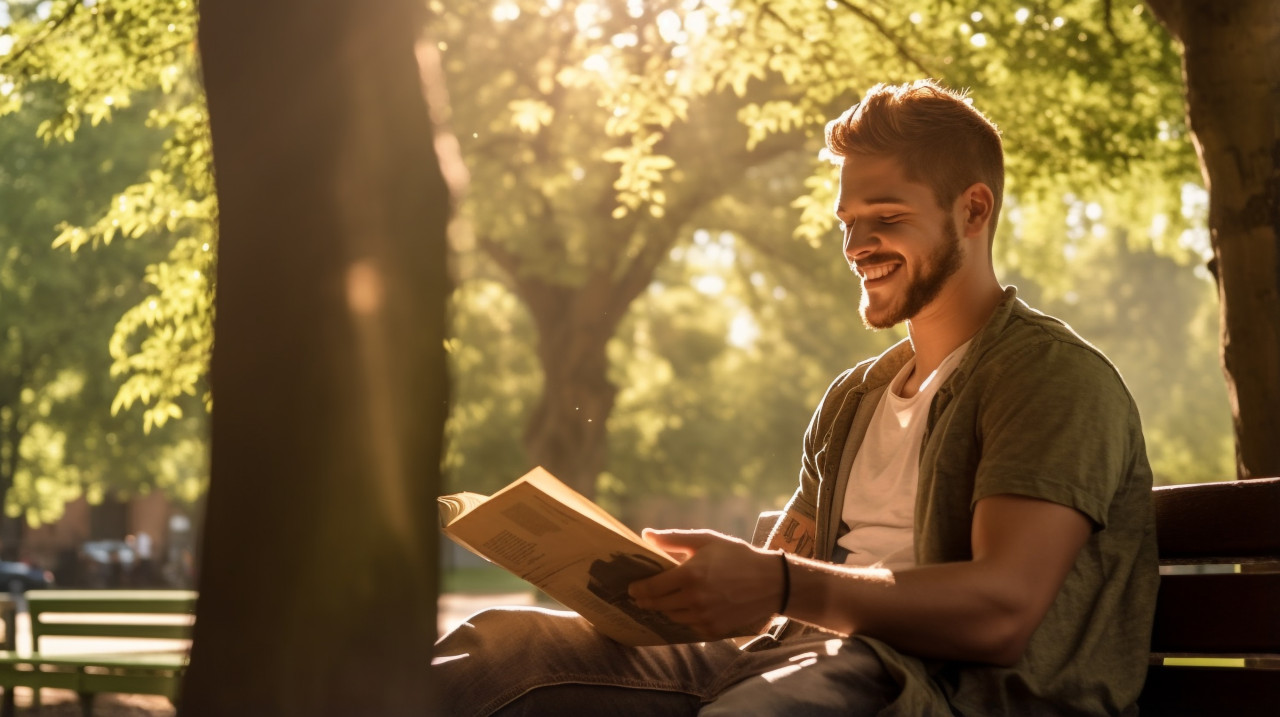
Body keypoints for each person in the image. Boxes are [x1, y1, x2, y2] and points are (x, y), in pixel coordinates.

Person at [433, 79, 1158, 716]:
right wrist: (675, 590)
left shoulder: (1048, 378)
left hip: (935, 686)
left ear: (973, 212)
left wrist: (777, 581)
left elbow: (1002, 612)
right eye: (849, 222)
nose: (857, 243)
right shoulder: (855, 398)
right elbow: (783, 574)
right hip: (784, 655)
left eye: (887, 216)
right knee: (504, 645)